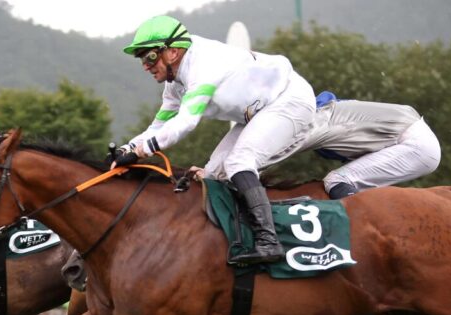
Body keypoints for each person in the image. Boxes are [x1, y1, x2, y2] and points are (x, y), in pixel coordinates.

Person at [111, 15, 317, 265]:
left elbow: (185, 123)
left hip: (290, 100)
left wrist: (143, 151)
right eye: (141, 59)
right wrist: (126, 149)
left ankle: (269, 240)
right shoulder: (175, 84)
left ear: (173, 52)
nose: (145, 65)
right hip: (260, 110)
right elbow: (159, 126)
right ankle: (236, 237)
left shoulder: (203, 66)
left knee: (239, 163)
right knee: (211, 176)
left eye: (150, 57)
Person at [201, 92, 441, 200]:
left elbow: (271, 148)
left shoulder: (315, 116)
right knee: (344, 181)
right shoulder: (304, 109)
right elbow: (248, 136)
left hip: (415, 145)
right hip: (414, 139)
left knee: (336, 181)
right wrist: (211, 169)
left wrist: (216, 175)